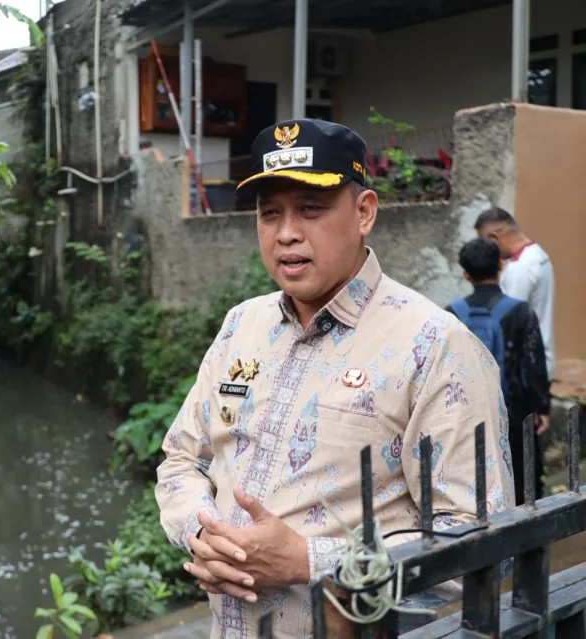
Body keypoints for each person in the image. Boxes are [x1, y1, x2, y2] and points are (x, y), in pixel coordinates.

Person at [155, 118, 516, 639]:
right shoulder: (241, 325)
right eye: (269, 214)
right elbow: (183, 459)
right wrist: (203, 534)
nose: (286, 233)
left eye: (311, 209)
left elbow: (483, 545)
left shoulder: (436, 347)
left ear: (365, 212)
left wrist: (311, 561)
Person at [447, 238, 550, 505]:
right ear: (500, 266)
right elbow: (533, 363)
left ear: (466, 274)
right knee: (523, 479)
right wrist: (542, 407)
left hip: (467, 414)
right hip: (514, 413)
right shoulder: (521, 312)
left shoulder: (452, 313)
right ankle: (528, 542)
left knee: (472, 479)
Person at [474, 207, 555, 381]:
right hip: (538, 360)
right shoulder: (538, 254)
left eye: (485, 243)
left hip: (524, 371)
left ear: (494, 238)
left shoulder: (520, 269)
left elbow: (508, 323)